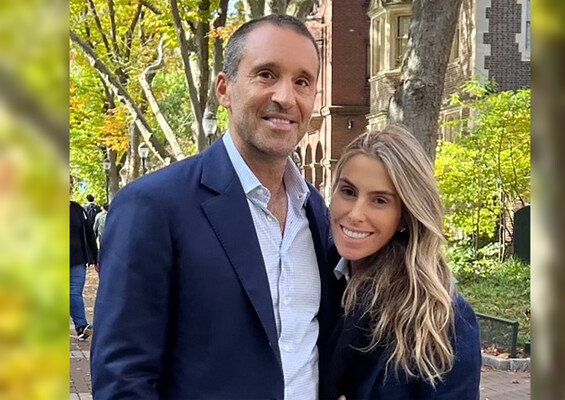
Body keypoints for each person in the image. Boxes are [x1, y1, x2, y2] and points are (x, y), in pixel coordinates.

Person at [91, 15, 342, 400]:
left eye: (302, 82)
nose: (286, 97)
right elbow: (123, 378)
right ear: (224, 88)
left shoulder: (316, 210)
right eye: (266, 74)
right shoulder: (153, 207)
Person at [322, 126, 481, 399]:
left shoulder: (441, 317)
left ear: (405, 216)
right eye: (348, 192)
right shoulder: (313, 274)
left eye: (379, 201)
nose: (355, 214)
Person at [70, 197, 98, 341]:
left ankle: (81, 327)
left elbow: (89, 233)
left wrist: (95, 258)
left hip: (77, 259)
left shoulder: (76, 209)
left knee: (74, 292)